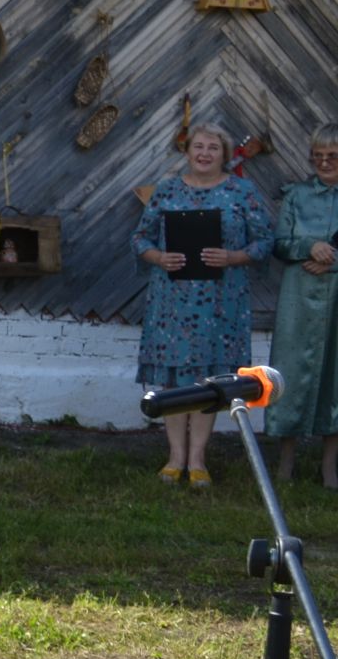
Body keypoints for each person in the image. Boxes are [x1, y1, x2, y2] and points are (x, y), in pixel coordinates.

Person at [131, 122, 274, 487]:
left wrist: (233, 256)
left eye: (213, 147)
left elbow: (264, 242)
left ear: (224, 155)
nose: (205, 153)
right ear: (187, 151)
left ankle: (197, 461)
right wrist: (158, 258)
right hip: (171, 300)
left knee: (207, 380)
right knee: (173, 380)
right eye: (199, 146)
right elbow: (140, 238)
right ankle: (174, 458)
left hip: (220, 303)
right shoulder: (167, 191)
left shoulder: (241, 192)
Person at [268, 123, 338, 486]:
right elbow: (279, 243)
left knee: (337, 377)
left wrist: (332, 259)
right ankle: (285, 462)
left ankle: (330, 467)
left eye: (332, 156)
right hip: (300, 294)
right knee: (290, 371)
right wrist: (307, 247)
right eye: (318, 156)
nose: (324, 162)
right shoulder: (296, 196)